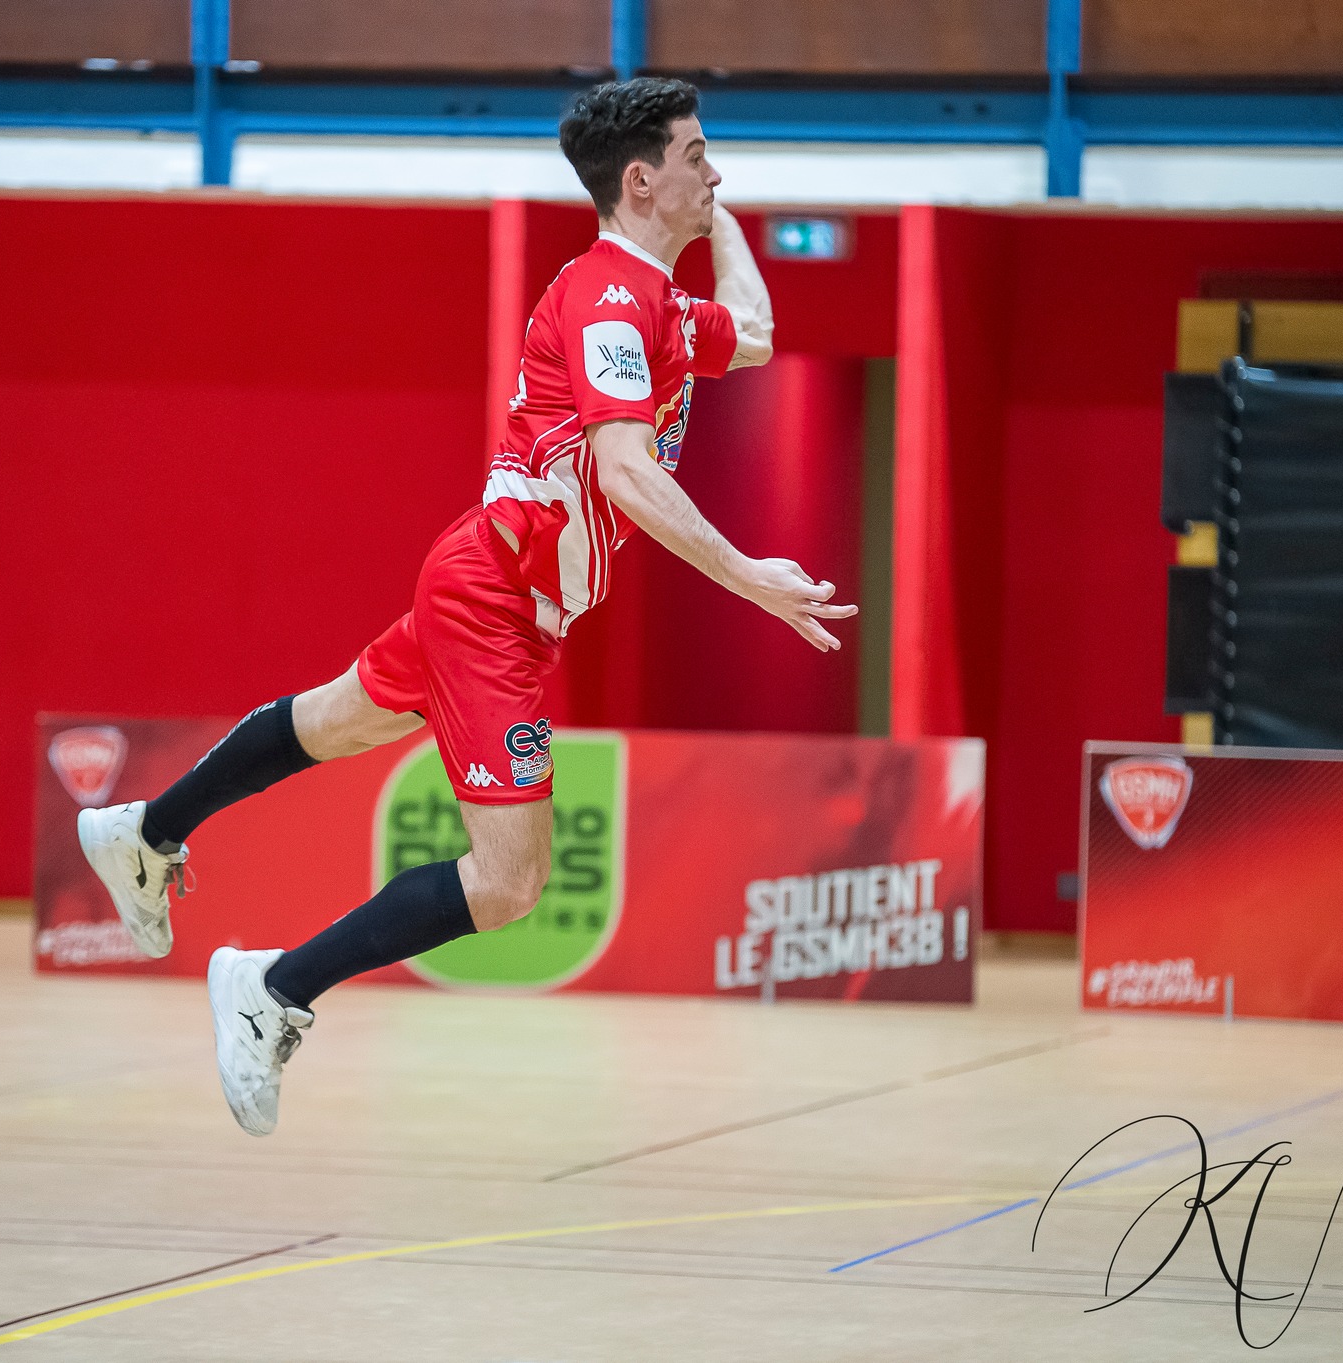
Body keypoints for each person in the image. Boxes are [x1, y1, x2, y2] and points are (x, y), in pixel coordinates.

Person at [78, 77, 854, 1137]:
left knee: (335, 719)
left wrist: (720, 227)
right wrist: (748, 576)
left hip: (497, 592)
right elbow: (626, 471)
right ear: (640, 180)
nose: (714, 171)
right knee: (510, 878)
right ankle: (271, 989)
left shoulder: (662, 307)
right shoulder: (608, 300)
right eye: (697, 154)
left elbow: (755, 333)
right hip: (490, 602)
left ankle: (142, 828)